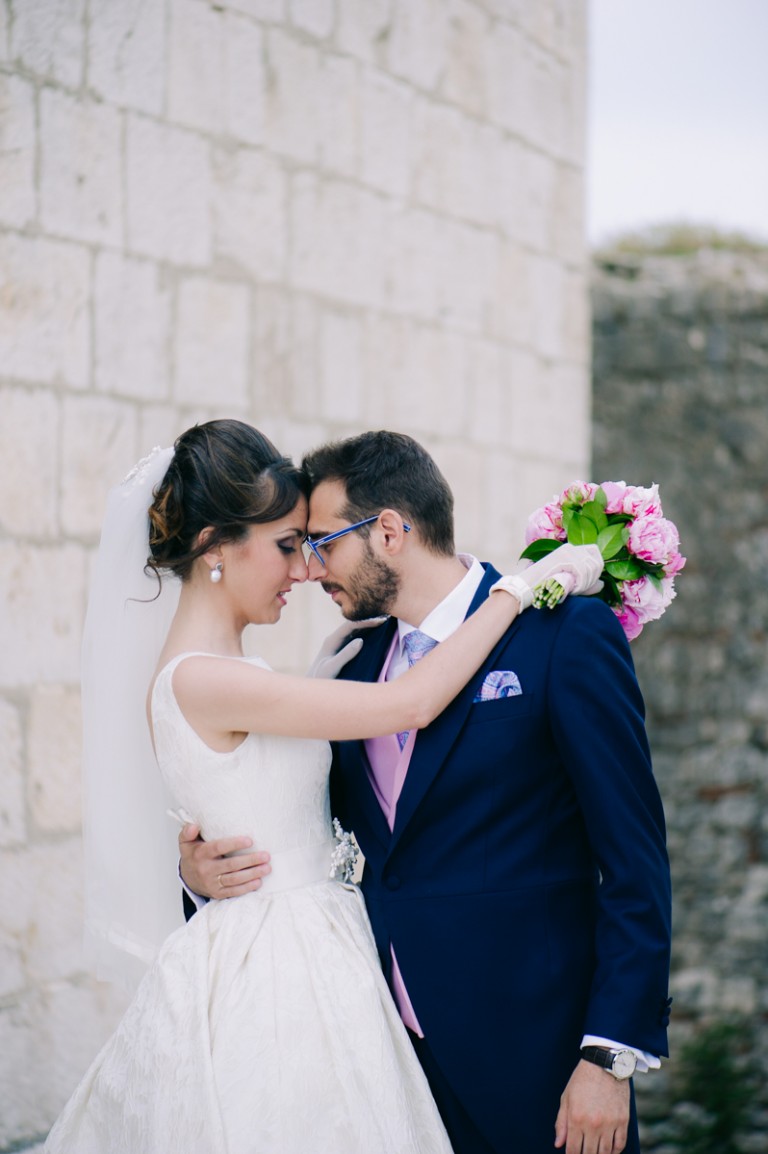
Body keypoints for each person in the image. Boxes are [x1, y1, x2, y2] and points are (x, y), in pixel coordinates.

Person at [46, 420, 601, 1154]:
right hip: (278, 980)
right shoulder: (204, 678)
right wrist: (520, 589)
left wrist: (196, 868)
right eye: (285, 547)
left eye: (309, 547)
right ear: (215, 546)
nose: (303, 571)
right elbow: (407, 706)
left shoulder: (274, 669)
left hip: (337, 954)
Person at [182, 430, 673, 1154]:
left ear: (389, 531)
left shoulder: (563, 635)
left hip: (542, 1060)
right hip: (389, 1069)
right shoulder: (352, 668)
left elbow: (635, 863)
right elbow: (290, 820)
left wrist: (609, 1055)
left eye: (322, 543)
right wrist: (200, 873)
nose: (311, 571)